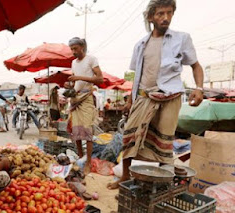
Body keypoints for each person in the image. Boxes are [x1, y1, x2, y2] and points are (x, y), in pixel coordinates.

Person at [107, 0, 204, 190]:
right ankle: (125, 176)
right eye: (160, 14)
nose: (165, 17)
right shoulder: (140, 45)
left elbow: (196, 65)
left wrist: (199, 88)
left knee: (164, 142)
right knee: (130, 136)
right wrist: (130, 99)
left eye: (169, 13)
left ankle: (162, 185)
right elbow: (135, 76)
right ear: (151, 17)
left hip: (170, 97)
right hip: (144, 97)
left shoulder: (182, 39)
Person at [67, 37, 104, 174]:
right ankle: (81, 157)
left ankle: (88, 161)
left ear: (82, 47)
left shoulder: (91, 59)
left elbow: (100, 79)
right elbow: (75, 80)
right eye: (71, 49)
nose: (73, 51)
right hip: (75, 98)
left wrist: (79, 78)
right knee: (76, 131)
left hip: (87, 97)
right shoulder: (73, 63)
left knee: (87, 131)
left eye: (75, 48)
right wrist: (70, 84)